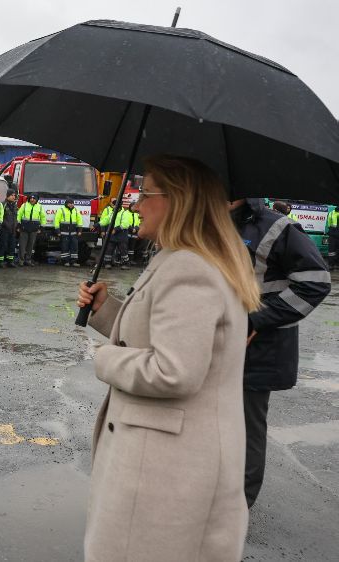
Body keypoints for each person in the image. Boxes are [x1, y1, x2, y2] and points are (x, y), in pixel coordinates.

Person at [76, 155, 262, 561]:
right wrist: (107, 311)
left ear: (177, 200)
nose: (136, 203)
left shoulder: (188, 268)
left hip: (162, 477)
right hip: (166, 470)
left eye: (146, 193)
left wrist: (103, 358)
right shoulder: (187, 259)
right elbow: (168, 339)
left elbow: (174, 371)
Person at [230, 197, 330, 508]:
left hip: (258, 351)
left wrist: (255, 319)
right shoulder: (206, 220)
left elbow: (315, 282)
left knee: (246, 429)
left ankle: (238, 506)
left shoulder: (275, 227)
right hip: (217, 344)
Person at [17, 193, 46, 266]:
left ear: (36, 200)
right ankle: (21, 261)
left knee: (31, 245)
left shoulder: (40, 207)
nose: (32, 199)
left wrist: (41, 228)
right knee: (22, 245)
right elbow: (19, 215)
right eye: (31, 198)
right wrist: (18, 225)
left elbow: (43, 217)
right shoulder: (24, 205)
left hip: (34, 229)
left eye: (34, 198)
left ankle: (28, 260)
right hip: (24, 228)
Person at [54, 197, 83, 267]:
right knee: (65, 247)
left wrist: (79, 230)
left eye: (72, 203)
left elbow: (79, 220)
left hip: (73, 233)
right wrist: (57, 231)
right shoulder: (61, 210)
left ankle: (73, 261)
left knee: (74, 247)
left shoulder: (76, 210)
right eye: (69, 203)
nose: (71, 205)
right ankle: (65, 261)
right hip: (64, 233)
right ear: (66, 204)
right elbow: (56, 220)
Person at [0, 190, 19, 267]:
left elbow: (16, 217)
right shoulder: (3, 204)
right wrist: (4, 225)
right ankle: (0, 261)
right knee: (3, 245)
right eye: (12, 195)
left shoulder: (15, 205)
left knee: (12, 246)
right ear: (7, 196)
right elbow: (0, 216)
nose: (14, 197)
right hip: (4, 229)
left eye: (14, 195)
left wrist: (16, 226)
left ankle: (10, 261)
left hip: (13, 230)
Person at [327, 205, 339, 270]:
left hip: (333, 233)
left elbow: (329, 225)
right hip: (333, 234)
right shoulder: (331, 213)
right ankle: (331, 264)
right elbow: (329, 224)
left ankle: (336, 264)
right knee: (331, 250)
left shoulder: (332, 213)